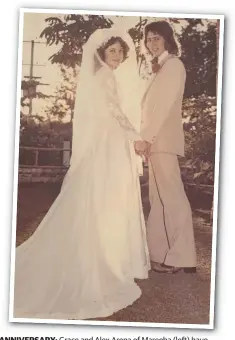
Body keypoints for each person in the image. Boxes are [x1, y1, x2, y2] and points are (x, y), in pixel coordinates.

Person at [12, 28, 150, 321]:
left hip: (109, 145)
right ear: (101, 53)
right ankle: (97, 263)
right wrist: (136, 136)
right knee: (101, 202)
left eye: (120, 50)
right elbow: (115, 113)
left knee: (104, 203)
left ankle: (107, 256)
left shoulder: (105, 78)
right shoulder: (104, 78)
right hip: (106, 148)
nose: (117, 54)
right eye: (112, 50)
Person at [135, 20, 197, 274]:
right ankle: (161, 254)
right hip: (156, 143)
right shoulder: (158, 68)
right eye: (148, 38)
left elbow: (161, 108)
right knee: (158, 200)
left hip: (162, 141)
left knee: (172, 197)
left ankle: (184, 258)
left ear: (168, 40)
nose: (152, 42)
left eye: (157, 37)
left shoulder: (173, 65)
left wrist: (146, 138)